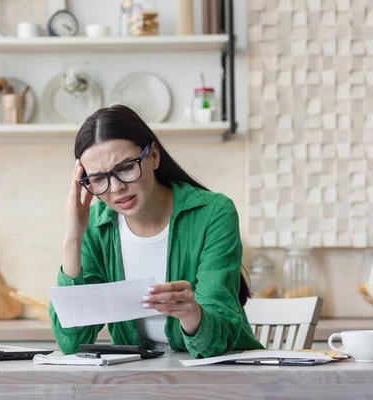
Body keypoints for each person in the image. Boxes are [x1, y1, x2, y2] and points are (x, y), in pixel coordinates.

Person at [50, 104, 263, 358]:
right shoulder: (96, 226)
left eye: (126, 167)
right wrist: (72, 238)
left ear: (153, 156)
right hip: (142, 382)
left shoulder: (214, 213)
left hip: (221, 377)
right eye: (98, 179)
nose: (116, 187)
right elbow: (72, 343)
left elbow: (214, 344)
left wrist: (191, 313)